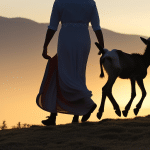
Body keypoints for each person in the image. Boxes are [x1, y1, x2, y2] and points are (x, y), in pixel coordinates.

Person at [36, 0, 104, 126]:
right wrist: (102, 44)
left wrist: (45, 46)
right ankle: (72, 116)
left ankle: (87, 104)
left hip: (66, 39)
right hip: (83, 39)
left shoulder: (60, 2)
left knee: (61, 73)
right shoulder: (90, 3)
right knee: (77, 75)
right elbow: (96, 27)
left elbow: (52, 26)